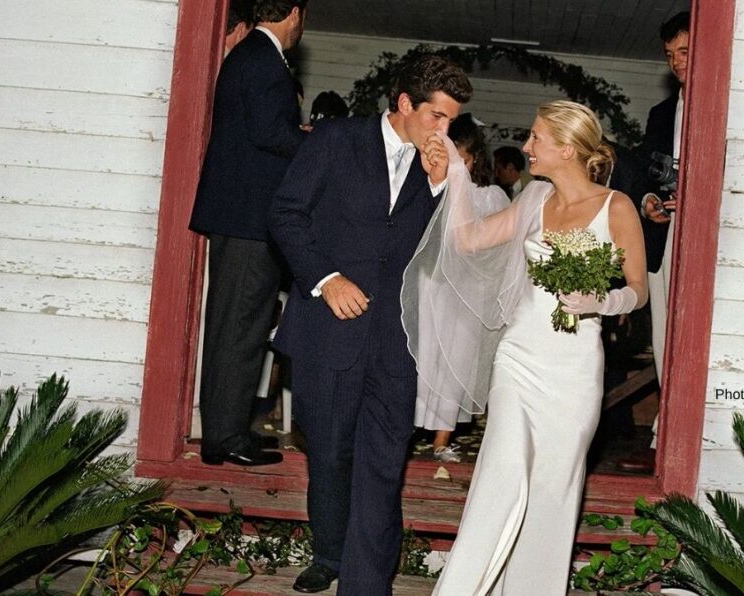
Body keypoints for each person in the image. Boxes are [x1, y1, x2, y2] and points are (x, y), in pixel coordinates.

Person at [402, 100, 648, 594]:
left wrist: (602, 298)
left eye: (537, 138)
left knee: (553, 492)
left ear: (566, 148)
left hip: (576, 366)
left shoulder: (615, 207)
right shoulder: (534, 197)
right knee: (503, 471)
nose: (527, 146)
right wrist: (454, 176)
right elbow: (470, 240)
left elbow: (638, 289)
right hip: (518, 355)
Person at [269, 54, 472, 595]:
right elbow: (286, 213)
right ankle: (331, 552)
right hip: (329, 328)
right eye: (438, 117)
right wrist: (325, 278)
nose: (445, 131)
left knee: (382, 463)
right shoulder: (337, 140)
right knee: (332, 451)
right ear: (405, 104)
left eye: (452, 121)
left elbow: (443, 255)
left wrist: (435, 189)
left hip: (397, 338)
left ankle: (365, 585)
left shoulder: (439, 168)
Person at [188, 0, 307, 468]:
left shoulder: (252, 54)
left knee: (235, 328)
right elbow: (269, 134)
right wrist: (317, 142)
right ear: (295, 13)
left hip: (241, 217)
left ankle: (225, 431)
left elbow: (264, 130)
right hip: (248, 220)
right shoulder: (263, 57)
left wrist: (296, 131)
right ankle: (226, 435)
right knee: (241, 329)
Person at [415, 113, 509, 464]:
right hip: (431, 283)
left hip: (467, 291)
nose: (456, 167)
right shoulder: (430, 185)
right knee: (424, 354)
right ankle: (411, 426)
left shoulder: (490, 196)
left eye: (463, 161)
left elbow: (493, 247)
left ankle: (442, 438)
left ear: (476, 160)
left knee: (457, 359)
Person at [642, 11, 689, 384]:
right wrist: (649, 201)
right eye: (669, 54)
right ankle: (667, 413)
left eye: (684, 52)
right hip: (664, 234)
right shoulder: (660, 114)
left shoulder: (722, 108)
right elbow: (647, 171)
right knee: (663, 329)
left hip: (700, 235)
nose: (675, 63)